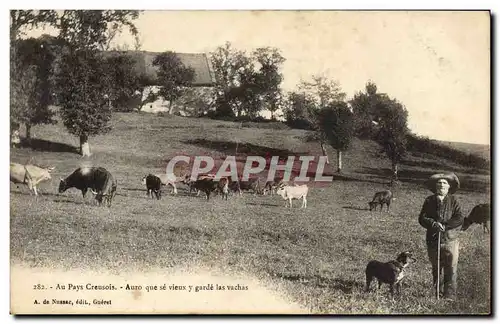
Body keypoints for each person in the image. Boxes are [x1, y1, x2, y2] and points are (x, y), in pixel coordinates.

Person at [418, 172, 464, 300]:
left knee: (451, 266)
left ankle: (449, 294)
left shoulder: (454, 200)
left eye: (444, 183)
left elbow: (459, 218)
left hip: (450, 239)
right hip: (433, 239)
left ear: (449, 187)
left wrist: (445, 225)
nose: (441, 185)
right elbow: (422, 218)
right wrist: (433, 223)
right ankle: (437, 292)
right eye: (439, 183)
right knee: (436, 266)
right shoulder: (429, 200)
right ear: (435, 186)